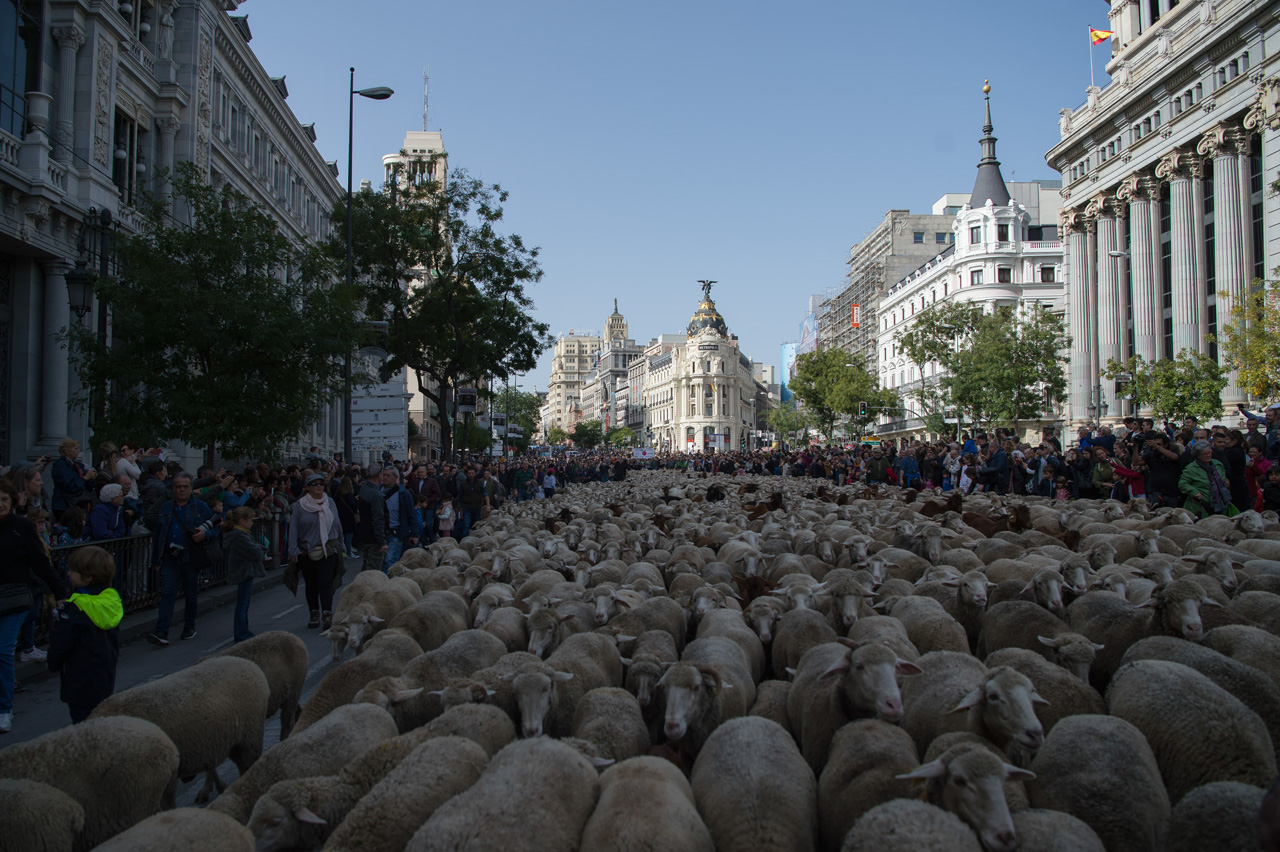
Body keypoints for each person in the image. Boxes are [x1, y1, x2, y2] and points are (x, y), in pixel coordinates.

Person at [0, 477, 66, 733]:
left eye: (4, 499)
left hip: (14, 598)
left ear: (12, 501)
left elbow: (40, 562)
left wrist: (59, 591)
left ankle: (4, 709)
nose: (0, 504)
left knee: (4, 651)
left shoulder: (22, 526)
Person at [46, 545, 121, 722]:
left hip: (80, 680)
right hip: (105, 676)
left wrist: (52, 662)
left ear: (87, 577)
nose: (69, 574)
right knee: (100, 719)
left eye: (73, 571)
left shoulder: (76, 608)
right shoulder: (111, 600)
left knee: (84, 725)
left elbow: (62, 642)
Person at [146, 473, 218, 646]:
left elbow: (216, 529)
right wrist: (155, 560)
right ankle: (162, 630)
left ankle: (189, 626)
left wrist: (205, 534)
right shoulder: (166, 508)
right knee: (167, 593)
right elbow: (159, 534)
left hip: (191, 558)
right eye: (178, 487)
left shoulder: (201, 507)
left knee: (190, 594)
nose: (182, 490)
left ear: (191, 488)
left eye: (185, 487)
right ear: (173, 489)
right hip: (170, 558)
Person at [288, 474, 344, 630]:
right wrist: (292, 550)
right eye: (315, 484)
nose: (319, 486)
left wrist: (341, 544)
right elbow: (293, 528)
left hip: (328, 548)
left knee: (325, 582)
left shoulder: (330, 502)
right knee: (311, 583)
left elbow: (337, 524)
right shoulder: (300, 506)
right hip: (307, 550)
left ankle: (327, 613)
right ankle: (314, 612)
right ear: (307, 487)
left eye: (321, 483)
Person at [220, 507, 265, 642]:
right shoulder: (240, 536)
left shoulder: (239, 534)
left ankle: (243, 630)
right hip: (243, 571)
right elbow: (255, 553)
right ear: (242, 521)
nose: (252, 523)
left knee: (244, 603)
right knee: (243, 604)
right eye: (250, 520)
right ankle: (241, 632)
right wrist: (260, 549)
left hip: (242, 570)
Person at [1179, 440, 1232, 519]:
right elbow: (1182, 483)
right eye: (1205, 454)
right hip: (1201, 506)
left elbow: (1223, 479)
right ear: (1197, 455)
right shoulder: (1191, 468)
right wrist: (1194, 492)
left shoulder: (1218, 464)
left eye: (1209, 452)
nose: (1208, 455)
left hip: (1221, 504)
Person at [381, 468, 419, 570]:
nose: (385, 478)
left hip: (396, 531)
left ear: (396, 477)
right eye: (384, 475)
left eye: (388, 475)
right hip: (381, 531)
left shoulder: (403, 494)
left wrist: (414, 533)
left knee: (390, 559)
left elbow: (411, 513)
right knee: (381, 559)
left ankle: (389, 579)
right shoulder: (379, 491)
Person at [50, 438, 97, 520]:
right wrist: (85, 478)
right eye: (76, 448)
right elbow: (69, 486)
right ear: (67, 451)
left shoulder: (79, 465)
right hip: (64, 505)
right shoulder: (60, 466)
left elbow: (88, 487)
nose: (78, 451)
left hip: (80, 503)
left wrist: (91, 478)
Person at [354, 472, 388, 573]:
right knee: (373, 571)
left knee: (366, 568)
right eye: (384, 474)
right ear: (379, 475)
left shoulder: (364, 489)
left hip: (366, 535)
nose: (385, 477)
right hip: (373, 539)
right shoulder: (375, 494)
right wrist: (382, 541)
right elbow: (378, 519)